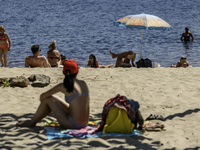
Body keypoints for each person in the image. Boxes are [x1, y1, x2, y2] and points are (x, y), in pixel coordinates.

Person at [16, 60, 90, 129]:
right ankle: (33, 121)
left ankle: (32, 122)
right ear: (77, 71)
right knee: (53, 97)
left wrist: (49, 108)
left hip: (72, 124)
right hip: (85, 123)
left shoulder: (63, 86)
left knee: (48, 99)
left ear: (64, 72)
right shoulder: (83, 83)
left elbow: (42, 97)